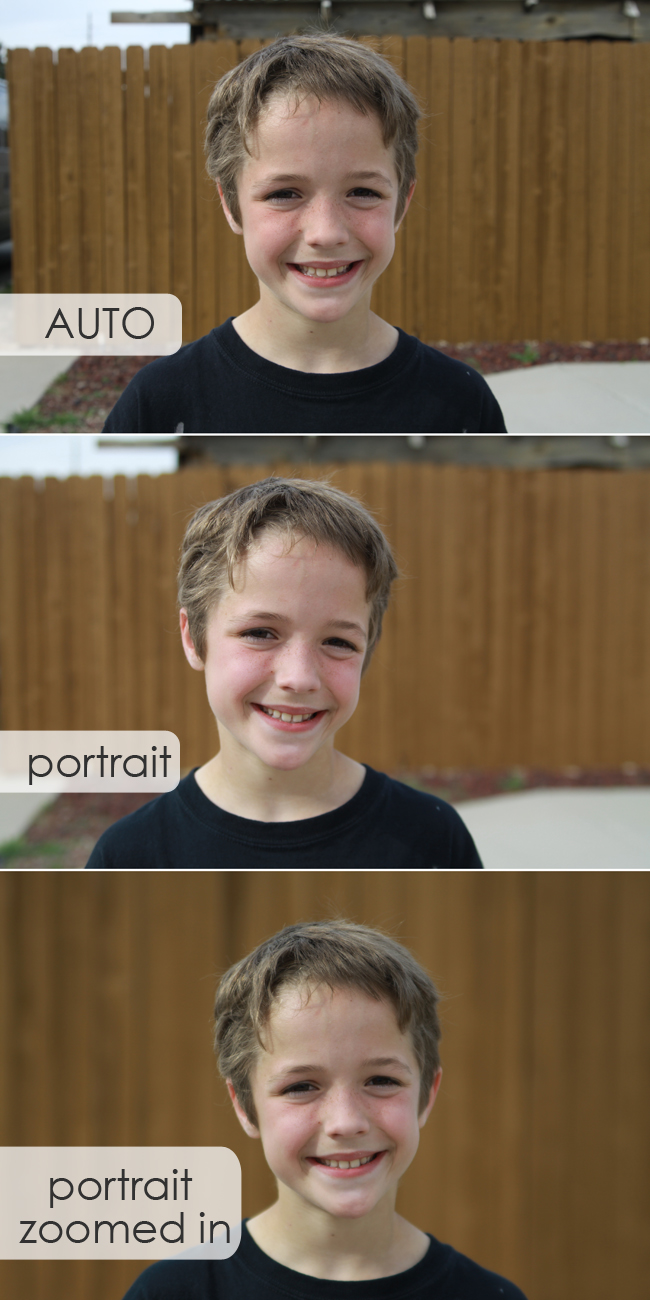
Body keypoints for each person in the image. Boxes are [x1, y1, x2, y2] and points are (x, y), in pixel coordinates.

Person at [103, 34, 506, 434]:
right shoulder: (157, 403)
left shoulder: (463, 403)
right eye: (284, 194)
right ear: (230, 203)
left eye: (363, 192)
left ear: (401, 203)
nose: (326, 232)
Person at [86, 476, 482, 868]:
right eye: (260, 633)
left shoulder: (433, 838)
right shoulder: (129, 854)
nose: (299, 677)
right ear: (193, 638)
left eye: (338, 642)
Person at [121, 919, 527, 1298]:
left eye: (381, 1081)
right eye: (301, 1087)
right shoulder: (174, 1291)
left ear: (427, 1094)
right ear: (244, 1107)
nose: (346, 1122)